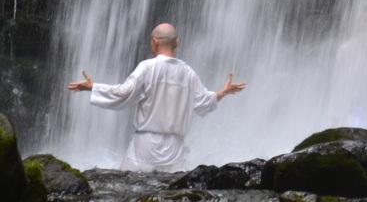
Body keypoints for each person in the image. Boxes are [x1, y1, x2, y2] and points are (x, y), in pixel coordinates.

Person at [67, 22, 245, 172]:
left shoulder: (147, 67)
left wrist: (93, 87)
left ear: (154, 41)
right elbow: (204, 102)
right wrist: (223, 91)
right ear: (177, 43)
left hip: (145, 148)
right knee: (170, 198)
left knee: (130, 195)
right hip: (174, 151)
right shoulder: (188, 73)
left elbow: (123, 94)